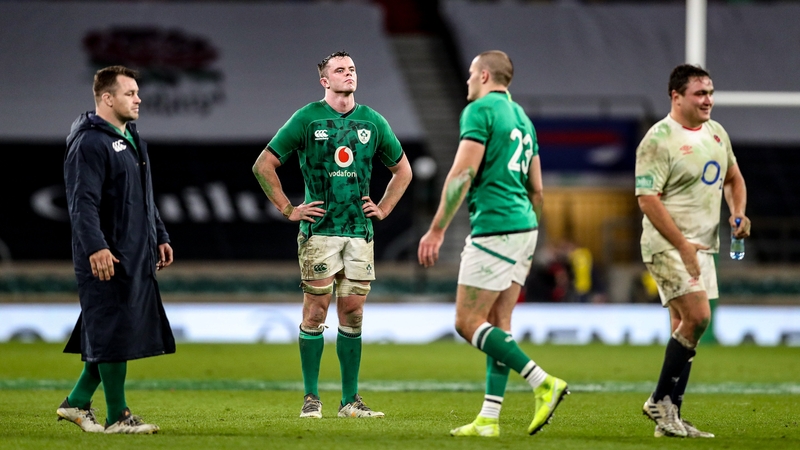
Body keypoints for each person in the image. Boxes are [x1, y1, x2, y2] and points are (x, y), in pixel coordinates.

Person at [252, 50, 412, 419]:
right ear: (324, 81)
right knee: (315, 311)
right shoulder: (307, 118)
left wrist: (384, 208)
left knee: (353, 313)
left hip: (358, 232)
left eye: (352, 68)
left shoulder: (373, 121)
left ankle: (349, 401)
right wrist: (289, 208)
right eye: (340, 70)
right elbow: (263, 165)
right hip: (320, 231)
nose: (348, 74)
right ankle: (311, 398)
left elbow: (403, 170)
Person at [417, 50, 568, 438]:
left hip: (496, 227)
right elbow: (537, 188)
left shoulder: (480, 111)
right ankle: (488, 419)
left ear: (485, 76)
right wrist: (529, 232)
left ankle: (543, 382)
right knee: (499, 324)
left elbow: (462, 174)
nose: (468, 80)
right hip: (525, 227)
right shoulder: (523, 119)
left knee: (467, 322)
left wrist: (437, 230)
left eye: (471, 73)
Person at [58, 65, 175, 435]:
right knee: (112, 332)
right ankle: (117, 417)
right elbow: (82, 203)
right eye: (130, 93)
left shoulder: (132, 137)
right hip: (106, 255)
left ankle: (77, 402)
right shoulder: (89, 143)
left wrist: (159, 234)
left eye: (137, 92)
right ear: (107, 99)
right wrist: (96, 247)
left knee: (114, 330)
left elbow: (143, 195)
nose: (139, 99)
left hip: (134, 250)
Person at [636, 64, 749, 438]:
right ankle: (658, 400)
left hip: (701, 245)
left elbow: (733, 178)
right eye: (700, 93)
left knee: (685, 330)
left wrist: (737, 212)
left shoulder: (716, 133)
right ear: (676, 96)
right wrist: (683, 246)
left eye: (710, 93)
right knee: (698, 317)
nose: (708, 100)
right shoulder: (658, 139)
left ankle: (671, 418)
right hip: (668, 244)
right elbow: (647, 199)